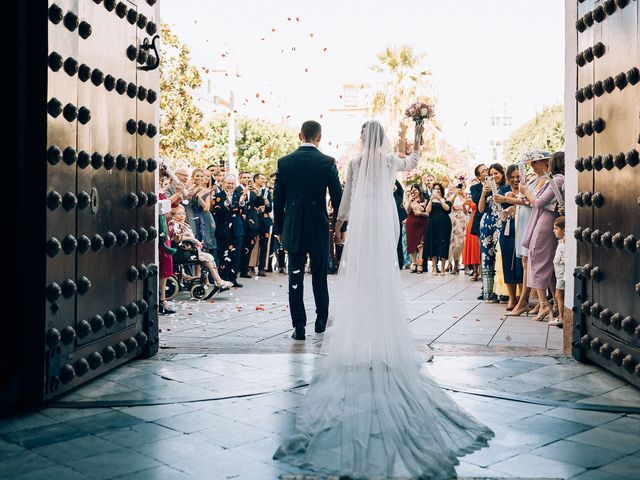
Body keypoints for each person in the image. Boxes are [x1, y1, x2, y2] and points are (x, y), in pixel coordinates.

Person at [273, 120, 493, 479]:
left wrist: (341, 222)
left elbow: (345, 196)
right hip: (384, 220)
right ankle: (382, 332)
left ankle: (344, 331)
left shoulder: (356, 163)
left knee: (357, 273)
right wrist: (419, 134)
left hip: (362, 220)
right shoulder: (390, 160)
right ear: (383, 139)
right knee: (383, 270)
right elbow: (414, 161)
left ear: (362, 138)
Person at [273, 121, 343, 340]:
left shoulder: (285, 162)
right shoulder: (327, 162)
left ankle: (299, 326)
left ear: (300, 135)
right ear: (319, 137)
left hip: (293, 225)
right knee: (319, 276)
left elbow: (278, 199)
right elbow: (338, 197)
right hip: (319, 225)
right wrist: (341, 227)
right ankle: (321, 320)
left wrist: (280, 228)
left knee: (295, 275)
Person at [503, 150, 550, 317]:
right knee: (526, 261)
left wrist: (510, 198)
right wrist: (509, 200)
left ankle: (527, 301)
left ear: (545, 163)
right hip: (524, 221)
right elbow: (524, 199)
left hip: (533, 220)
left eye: (535, 163)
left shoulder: (545, 180)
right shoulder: (536, 179)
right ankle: (538, 302)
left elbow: (532, 202)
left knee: (530, 262)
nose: (532, 166)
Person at [521, 152, 565, 322]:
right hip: (548, 220)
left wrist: (525, 192)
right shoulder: (559, 179)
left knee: (537, 258)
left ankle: (544, 303)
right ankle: (552, 303)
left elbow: (539, 202)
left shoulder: (558, 179)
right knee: (547, 262)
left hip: (545, 222)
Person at [168, 206, 233, 290]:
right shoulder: (173, 223)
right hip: (182, 252)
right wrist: (193, 240)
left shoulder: (185, 224)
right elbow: (177, 238)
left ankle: (214, 280)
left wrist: (196, 242)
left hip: (190, 251)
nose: (182, 215)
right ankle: (218, 281)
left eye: (183, 213)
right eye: (179, 213)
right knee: (208, 259)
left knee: (209, 258)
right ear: (173, 215)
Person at [493, 165, 524, 310]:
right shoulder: (503, 191)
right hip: (507, 229)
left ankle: (522, 298)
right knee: (508, 264)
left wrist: (514, 204)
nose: (515, 180)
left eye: (518, 177)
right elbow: (496, 208)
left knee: (521, 264)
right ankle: (512, 298)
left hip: (523, 228)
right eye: (513, 177)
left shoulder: (526, 190)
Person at [478, 163, 507, 302]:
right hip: (486, 224)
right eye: (491, 174)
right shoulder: (486, 189)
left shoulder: (506, 188)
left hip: (501, 222)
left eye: (496, 173)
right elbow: (480, 209)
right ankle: (489, 292)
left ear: (502, 174)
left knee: (499, 256)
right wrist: (484, 192)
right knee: (486, 256)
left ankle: (501, 292)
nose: (494, 176)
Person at [213, 173, 245, 287]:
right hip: (223, 230)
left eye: (232, 183)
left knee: (236, 255)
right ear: (223, 183)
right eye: (228, 183)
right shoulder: (218, 196)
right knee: (223, 254)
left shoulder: (238, 195)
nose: (230, 185)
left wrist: (241, 203)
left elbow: (243, 210)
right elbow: (216, 211)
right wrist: (225, 203)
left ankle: (233, 279)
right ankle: (223, 278)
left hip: (237, 229)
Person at [423, 182, 452, 276]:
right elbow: (427, 211)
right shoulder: (429, 199)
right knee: (433, 244)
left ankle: (443, 268)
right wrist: (431, 200)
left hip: (444, 225)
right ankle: (435, 268)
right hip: (432, 225)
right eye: (435, 189)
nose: (437, 190)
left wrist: (440, 199)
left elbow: (447, 209)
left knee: (443, 244)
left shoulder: (445, 199)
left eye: (439, 189)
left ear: (442, 190)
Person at [469, 164, 488, 296]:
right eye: (484, 171)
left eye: (488, 169)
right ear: (479, 176)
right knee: (484, 254)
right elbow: (476, 200)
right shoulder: (475, 188)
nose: (487, 172)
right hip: (481, 223)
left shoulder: (499, 184)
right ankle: (485, 285)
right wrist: (485, 190)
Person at [403, 184, 428, 273]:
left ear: (419, 191)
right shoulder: (408, 200)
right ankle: (414, 263)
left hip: (421, 223)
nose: (414, 192)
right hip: (411, 222)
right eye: (412, 190)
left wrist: (420, 212)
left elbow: (425, 211)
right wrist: (409, 200)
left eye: (416, 190)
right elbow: (407, 211)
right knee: (411, 243)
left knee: (421, 244)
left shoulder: (424, 200)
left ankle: (420, 264)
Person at [253, 173, 273, 277]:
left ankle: (261, 268)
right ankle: (250, 266)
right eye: (262, 179)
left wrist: (266, 205)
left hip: (264, 221)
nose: (264, 181)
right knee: (251, 243)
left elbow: (269, 208)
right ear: (256, 179)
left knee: (264, 245)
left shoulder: (267, 192)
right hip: (253, 220)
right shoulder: (251, 190)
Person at [549, 216, 565, 327]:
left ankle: (562, 317)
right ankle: (561, 316)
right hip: (559, 273)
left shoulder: (565, 243)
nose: (554, 231)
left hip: (562, 274)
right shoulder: (561, 242)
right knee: (558, 294)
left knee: (559, 295)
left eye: (556, 228)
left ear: (564, 230)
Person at [448, 183, 467, 274]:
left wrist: (463, 197)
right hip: (454, 222)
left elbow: (467, 208)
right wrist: (454, 194)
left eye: (461, 187)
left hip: (464, 221)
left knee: (464, 242)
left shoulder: (466, 197)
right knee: (455, 243)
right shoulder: (452, 196)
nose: (460, 189)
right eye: (458, 187)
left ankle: (466, 265)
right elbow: (449, 205)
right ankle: (455, 264)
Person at [462, 193, 480, 280]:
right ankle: (475, 271)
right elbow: (466, 212)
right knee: (473, 247)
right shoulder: (471, 200)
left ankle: (481, 270)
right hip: (472, 222)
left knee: (478, 247)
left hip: (480, 220)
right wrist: (463, 205)